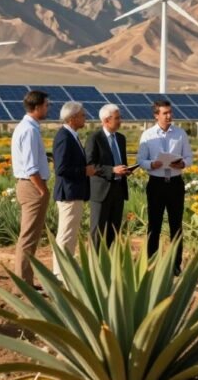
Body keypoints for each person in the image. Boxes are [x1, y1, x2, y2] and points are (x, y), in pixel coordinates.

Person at [137, 100, 193, 275]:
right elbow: (141, 160)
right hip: (156, 183)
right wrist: (151, 164)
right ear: (156, 115)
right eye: (165, 113)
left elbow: (189, 157)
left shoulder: (180, 133)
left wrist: (182, 164)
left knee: (176, 226)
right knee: (154, 225)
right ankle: (152, 264)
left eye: (170, 112)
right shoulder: (147, 135)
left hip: (175, 184)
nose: (169, 116)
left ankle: (176, 265)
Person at [51, 101, 96, 279]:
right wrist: (84, 171)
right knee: (66, 234)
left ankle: (65, 271)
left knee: (70, 234)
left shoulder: (71, 135)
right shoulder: (64, 137)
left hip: (74, 192)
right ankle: (60, 274)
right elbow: (61, 169)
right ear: (72, 118)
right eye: (82, 115)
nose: (85, 118)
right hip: (69, 193)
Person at [11, 90, 50, 289]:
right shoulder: (29, 131)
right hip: (32, 186)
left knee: (31, 236)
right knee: (28, 237)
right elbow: (31, 167)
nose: (48, 109)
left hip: (30, 185)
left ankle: (26, 281)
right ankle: (22, 285)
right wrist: (43, 190)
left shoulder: (28, 128)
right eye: (46, 105)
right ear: (37, 107)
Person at [86, 103, 131, 247]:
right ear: (106, 120)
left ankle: (111, 259)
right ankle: (94, 260)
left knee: (114, 231)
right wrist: (112, 170)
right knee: (98, 232)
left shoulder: (121, 138)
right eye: (117, 118)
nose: (120, 121)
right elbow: (90, 166)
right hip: (101, 192)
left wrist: (126, 170)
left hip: (118, 190)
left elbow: (121, 162)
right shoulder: (94, 138)